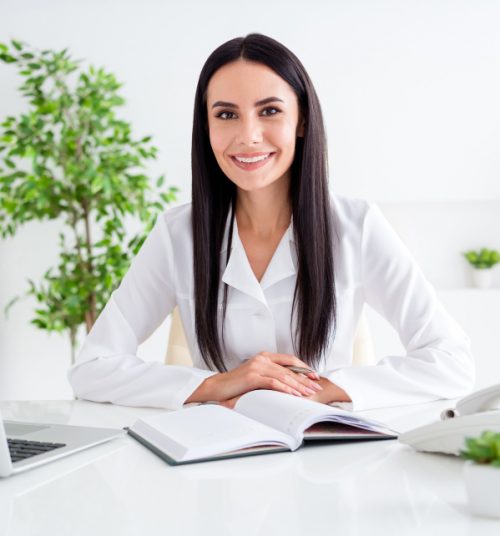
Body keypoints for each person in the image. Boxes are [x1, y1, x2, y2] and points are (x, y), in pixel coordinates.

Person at [68, 33, 475, 412]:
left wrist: (324, 390)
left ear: (301, 120)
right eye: (226, 114)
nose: (248, 136)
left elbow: (451, 361)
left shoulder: (357, 226)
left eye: (270, 111)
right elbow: (92, 367)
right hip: (214, 460)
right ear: (206, 127)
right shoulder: (178, 234)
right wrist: (218, 386)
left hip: (325, 458)